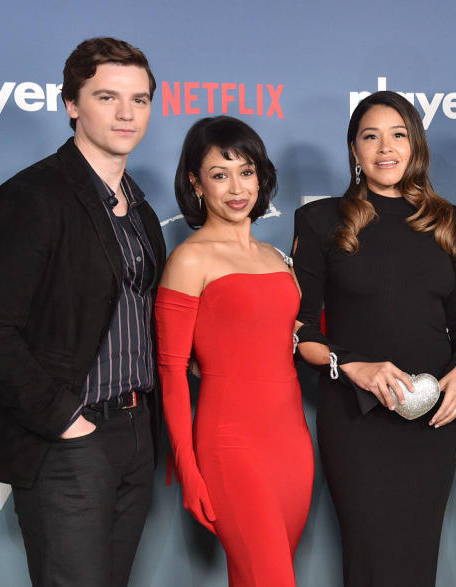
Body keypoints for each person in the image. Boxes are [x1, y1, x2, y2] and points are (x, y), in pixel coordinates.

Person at [0, 37, 164, 586]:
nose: (126, 113)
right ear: (71, 104)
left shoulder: (141, 212)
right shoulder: (31, 197)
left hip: (137, 432)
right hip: (71, 438)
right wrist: (66, 422)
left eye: (140, 99)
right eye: (107, 97)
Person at [292, 90, 456, 586]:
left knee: (418, 560)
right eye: (370, 136)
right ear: (353, 149)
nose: (385, 148)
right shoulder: (321, 221)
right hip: (357, 422)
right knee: (369, 558)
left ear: (416, 144)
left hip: (433, 421)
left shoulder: (454, 224)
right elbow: (302, 331)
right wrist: (355, 366)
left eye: (398, 135)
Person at [155, 116, 314, 587]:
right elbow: (171, 373)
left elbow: (291, 336)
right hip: (231, 446)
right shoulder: (189, 258)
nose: (236, 188)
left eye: (246, 171)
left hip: (292, 444)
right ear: (195, 183)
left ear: (262, 176)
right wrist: (188, 468)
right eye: (219, 175)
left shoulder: (274, 256)